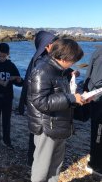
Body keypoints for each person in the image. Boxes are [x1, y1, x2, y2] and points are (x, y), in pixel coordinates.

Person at [27, 38, 87, 182]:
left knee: (55, 166)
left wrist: (79, 98)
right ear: (63, 57)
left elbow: (63, 95)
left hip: (59, 124)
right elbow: (40, 102)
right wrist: (72, 99)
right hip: (46, 127)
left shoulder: (61, 71)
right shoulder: (42, 70)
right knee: (42, 169)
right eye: (73, 60)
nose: (73, 64)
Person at [18, 30, 57, 166]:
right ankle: (34, 161)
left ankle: (33, 160)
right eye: (53, 42)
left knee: (37, 132)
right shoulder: (41, 61)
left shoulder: (40, 58)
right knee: (38, 132)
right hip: (38, 103)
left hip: (37, 103)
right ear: (46, 45)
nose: (56, 45)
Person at [84, 46, 102, 177]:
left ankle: (94, 162)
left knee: (97, 130)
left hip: (94, 95)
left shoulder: (97, 51)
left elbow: (88, 75)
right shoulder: (99, 52)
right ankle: (95, 164)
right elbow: (95, 78)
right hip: (98, 97)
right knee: (98, 131)